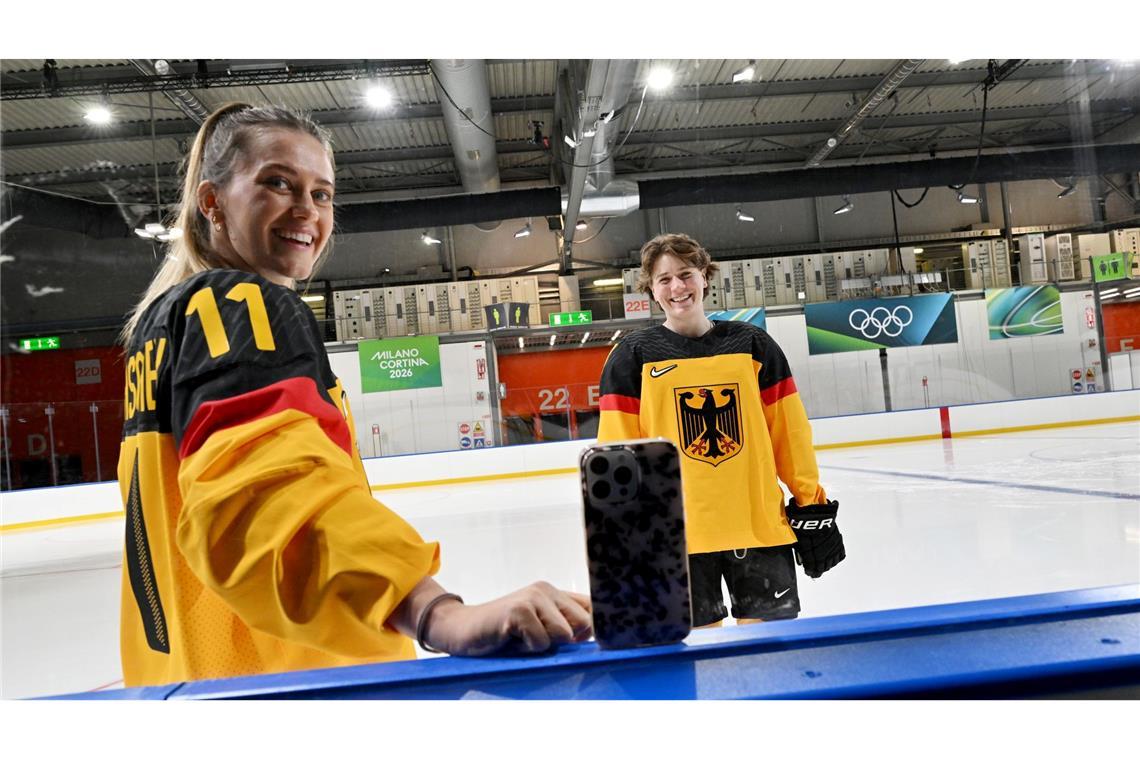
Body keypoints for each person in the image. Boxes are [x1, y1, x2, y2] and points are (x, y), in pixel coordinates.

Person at [117, 102, 591, 687]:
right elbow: (265, 498)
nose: (306, 211)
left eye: (322, 194)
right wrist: (438, 613)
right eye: (278, 184)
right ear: (212, 202)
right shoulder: (242, 306)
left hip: (192, 679)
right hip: (294, 685)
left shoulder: (160, 327)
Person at [596, 233, 845, 629]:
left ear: (705, 277)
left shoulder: (752, 344)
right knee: (701, 670)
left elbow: (789, 433)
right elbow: (617, 452)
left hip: (759, 529)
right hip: (675, 541)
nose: (677, 287)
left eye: (686, 274)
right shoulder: (632, 356)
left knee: (771, 662)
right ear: (651, 290)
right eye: (664, 280)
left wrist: (811, 503)